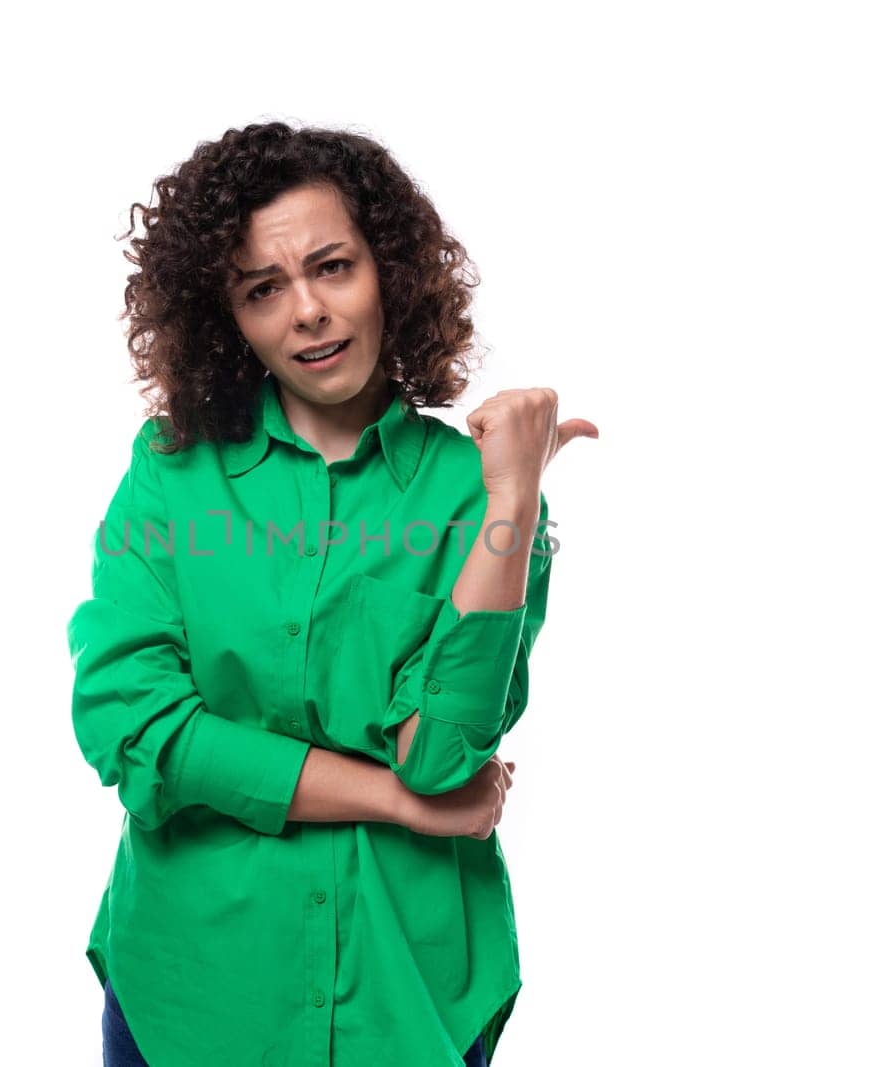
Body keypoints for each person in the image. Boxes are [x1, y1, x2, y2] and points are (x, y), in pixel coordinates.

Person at [67, 121, 597, 1067]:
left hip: (407, 993)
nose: (306, 310)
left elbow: (439, 754)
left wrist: (514, 496)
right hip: (191, 988)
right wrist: (395, 805)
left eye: (333, 267)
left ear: (389, 270)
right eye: (263, 289)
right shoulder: (169, 475)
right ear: (225, 317)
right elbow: (135, 729)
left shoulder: (477, 493)